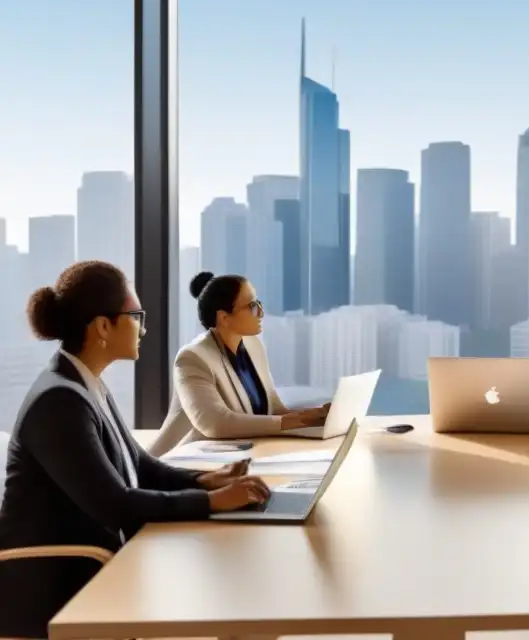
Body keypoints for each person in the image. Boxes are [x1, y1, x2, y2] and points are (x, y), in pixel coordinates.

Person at [0, 261, 270, 638]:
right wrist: (212, 502)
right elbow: (116, 504)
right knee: (230, 591)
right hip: (66, 587)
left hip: (101, 565)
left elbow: (139, 465)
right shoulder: (59, 402)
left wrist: (207, 481)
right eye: (136, 316)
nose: (143, 328)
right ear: (103, 326)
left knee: (235, 585)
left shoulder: (83, 382)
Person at [150, 272, 329, 456]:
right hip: (181, 464)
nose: (261, 312)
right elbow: (216, 424)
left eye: (259, 303)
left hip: (237, 457)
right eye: (252, 306)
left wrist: (318, 416)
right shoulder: (192, 358)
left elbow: (273, 409)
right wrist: (296, 421)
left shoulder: (253, 345)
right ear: (224, 318)